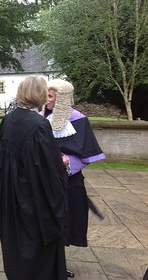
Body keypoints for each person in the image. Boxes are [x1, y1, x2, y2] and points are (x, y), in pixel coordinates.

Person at [0, 75, 67, 280]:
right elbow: (48, 174)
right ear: (41, 95)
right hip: (32, 202)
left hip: (10, 196)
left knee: (15, 248)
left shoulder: (9, 118)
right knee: (37, 256)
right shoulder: (38, 125)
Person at [44, 79, 106, 278]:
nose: (47, 99)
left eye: (51, 96)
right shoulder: (41, 117)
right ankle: (46, 263)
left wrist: (66, 161)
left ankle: (58, 265)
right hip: (45, 181)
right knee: (46, 223)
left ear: (61, 98)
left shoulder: (78, 119)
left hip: (69, 182)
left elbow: (87, 155)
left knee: (64, 224)